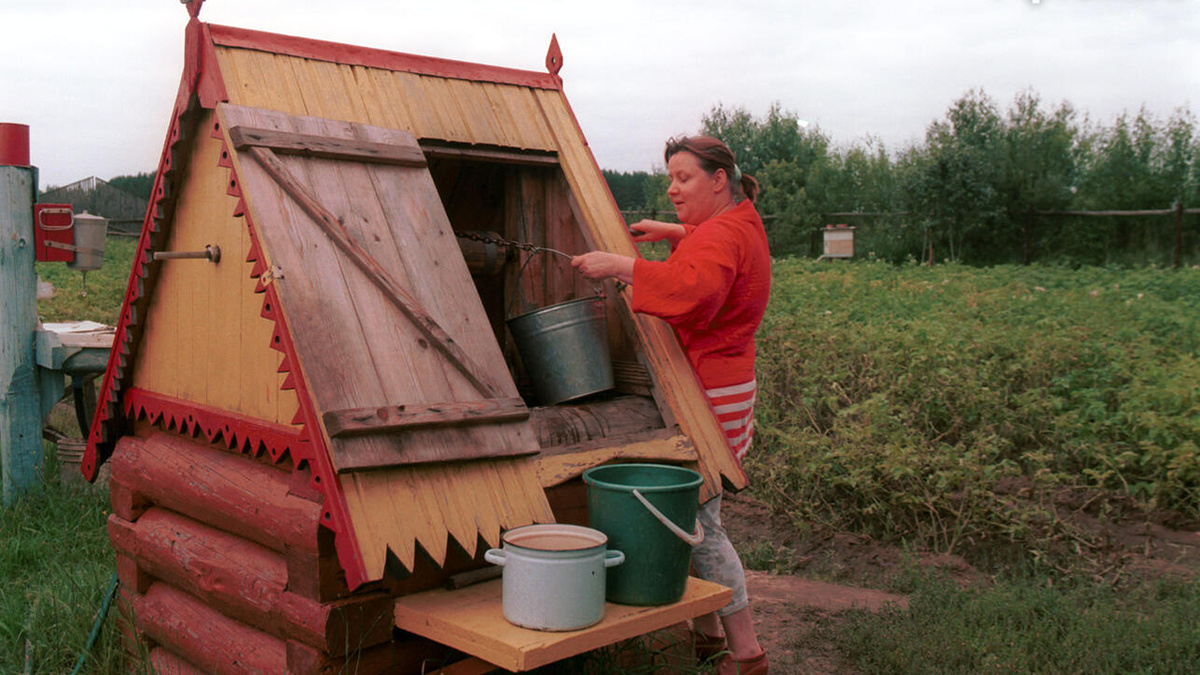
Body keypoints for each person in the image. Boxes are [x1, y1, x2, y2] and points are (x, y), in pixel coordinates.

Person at [572, 135, 771, 675]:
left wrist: (621, 265)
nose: (672, 189)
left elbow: (693, 287)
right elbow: (715, 246)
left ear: (718, 180)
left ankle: (747, 653)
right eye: (670, 179)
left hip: (710, 388)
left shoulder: (723, 235)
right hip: (727, 381)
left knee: (699, 519)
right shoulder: (740, 219)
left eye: (684, 178)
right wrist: (673, 233)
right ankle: (708, 637)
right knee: (691, 514)